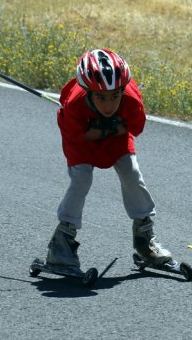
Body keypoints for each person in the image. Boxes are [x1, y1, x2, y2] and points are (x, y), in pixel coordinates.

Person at [45, 48, 172, 270]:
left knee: (132, 174)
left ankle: (145, 238)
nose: (109, 105)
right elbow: (76, 136)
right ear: (88, 92)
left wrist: (103, 129)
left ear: (123, 90)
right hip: (82, 143)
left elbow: (137, 127)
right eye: (101, 98)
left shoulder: (131, 99)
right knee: (81, 180)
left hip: (116, 140)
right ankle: (62, 242)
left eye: (115, 96)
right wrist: (109, 128)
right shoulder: (74, 103)